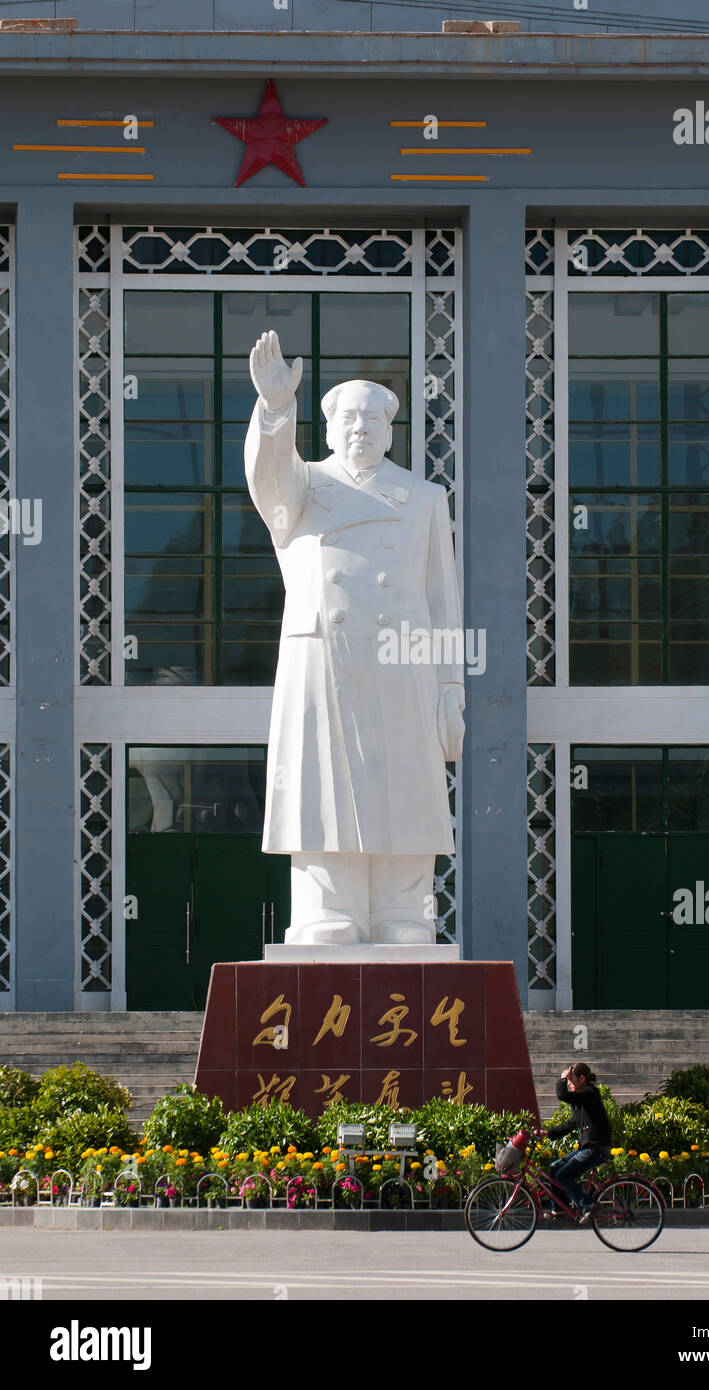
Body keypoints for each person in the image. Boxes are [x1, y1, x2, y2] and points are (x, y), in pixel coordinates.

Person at [244, 331, 465, 945]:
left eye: (374, 416)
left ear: (391, 430)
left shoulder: (424, 498)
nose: (361, 427)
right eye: (348, 416)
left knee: (405, 782)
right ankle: (325, 907)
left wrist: (450, 687)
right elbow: (268, 481)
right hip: (323, 655)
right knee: (322, 781)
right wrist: (275, 410)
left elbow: (441, 600)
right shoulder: (304, 486)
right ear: (329, 426)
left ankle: (403, 909)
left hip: (404, 664)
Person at [542, 1062, 613, 1221]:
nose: (568, 1083)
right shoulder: (583, 1100)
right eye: (567, 1080)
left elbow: (563, 1095)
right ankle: (560, 1209)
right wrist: (548, 1133)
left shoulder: (589, 1094)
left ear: (582, 1079)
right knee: (554, 1169)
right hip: (587, 1147)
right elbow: (572, 1123)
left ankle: (588, 1205)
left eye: (570, 1079)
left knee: (563, 1176)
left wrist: (561, 1079)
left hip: (596, 1147)